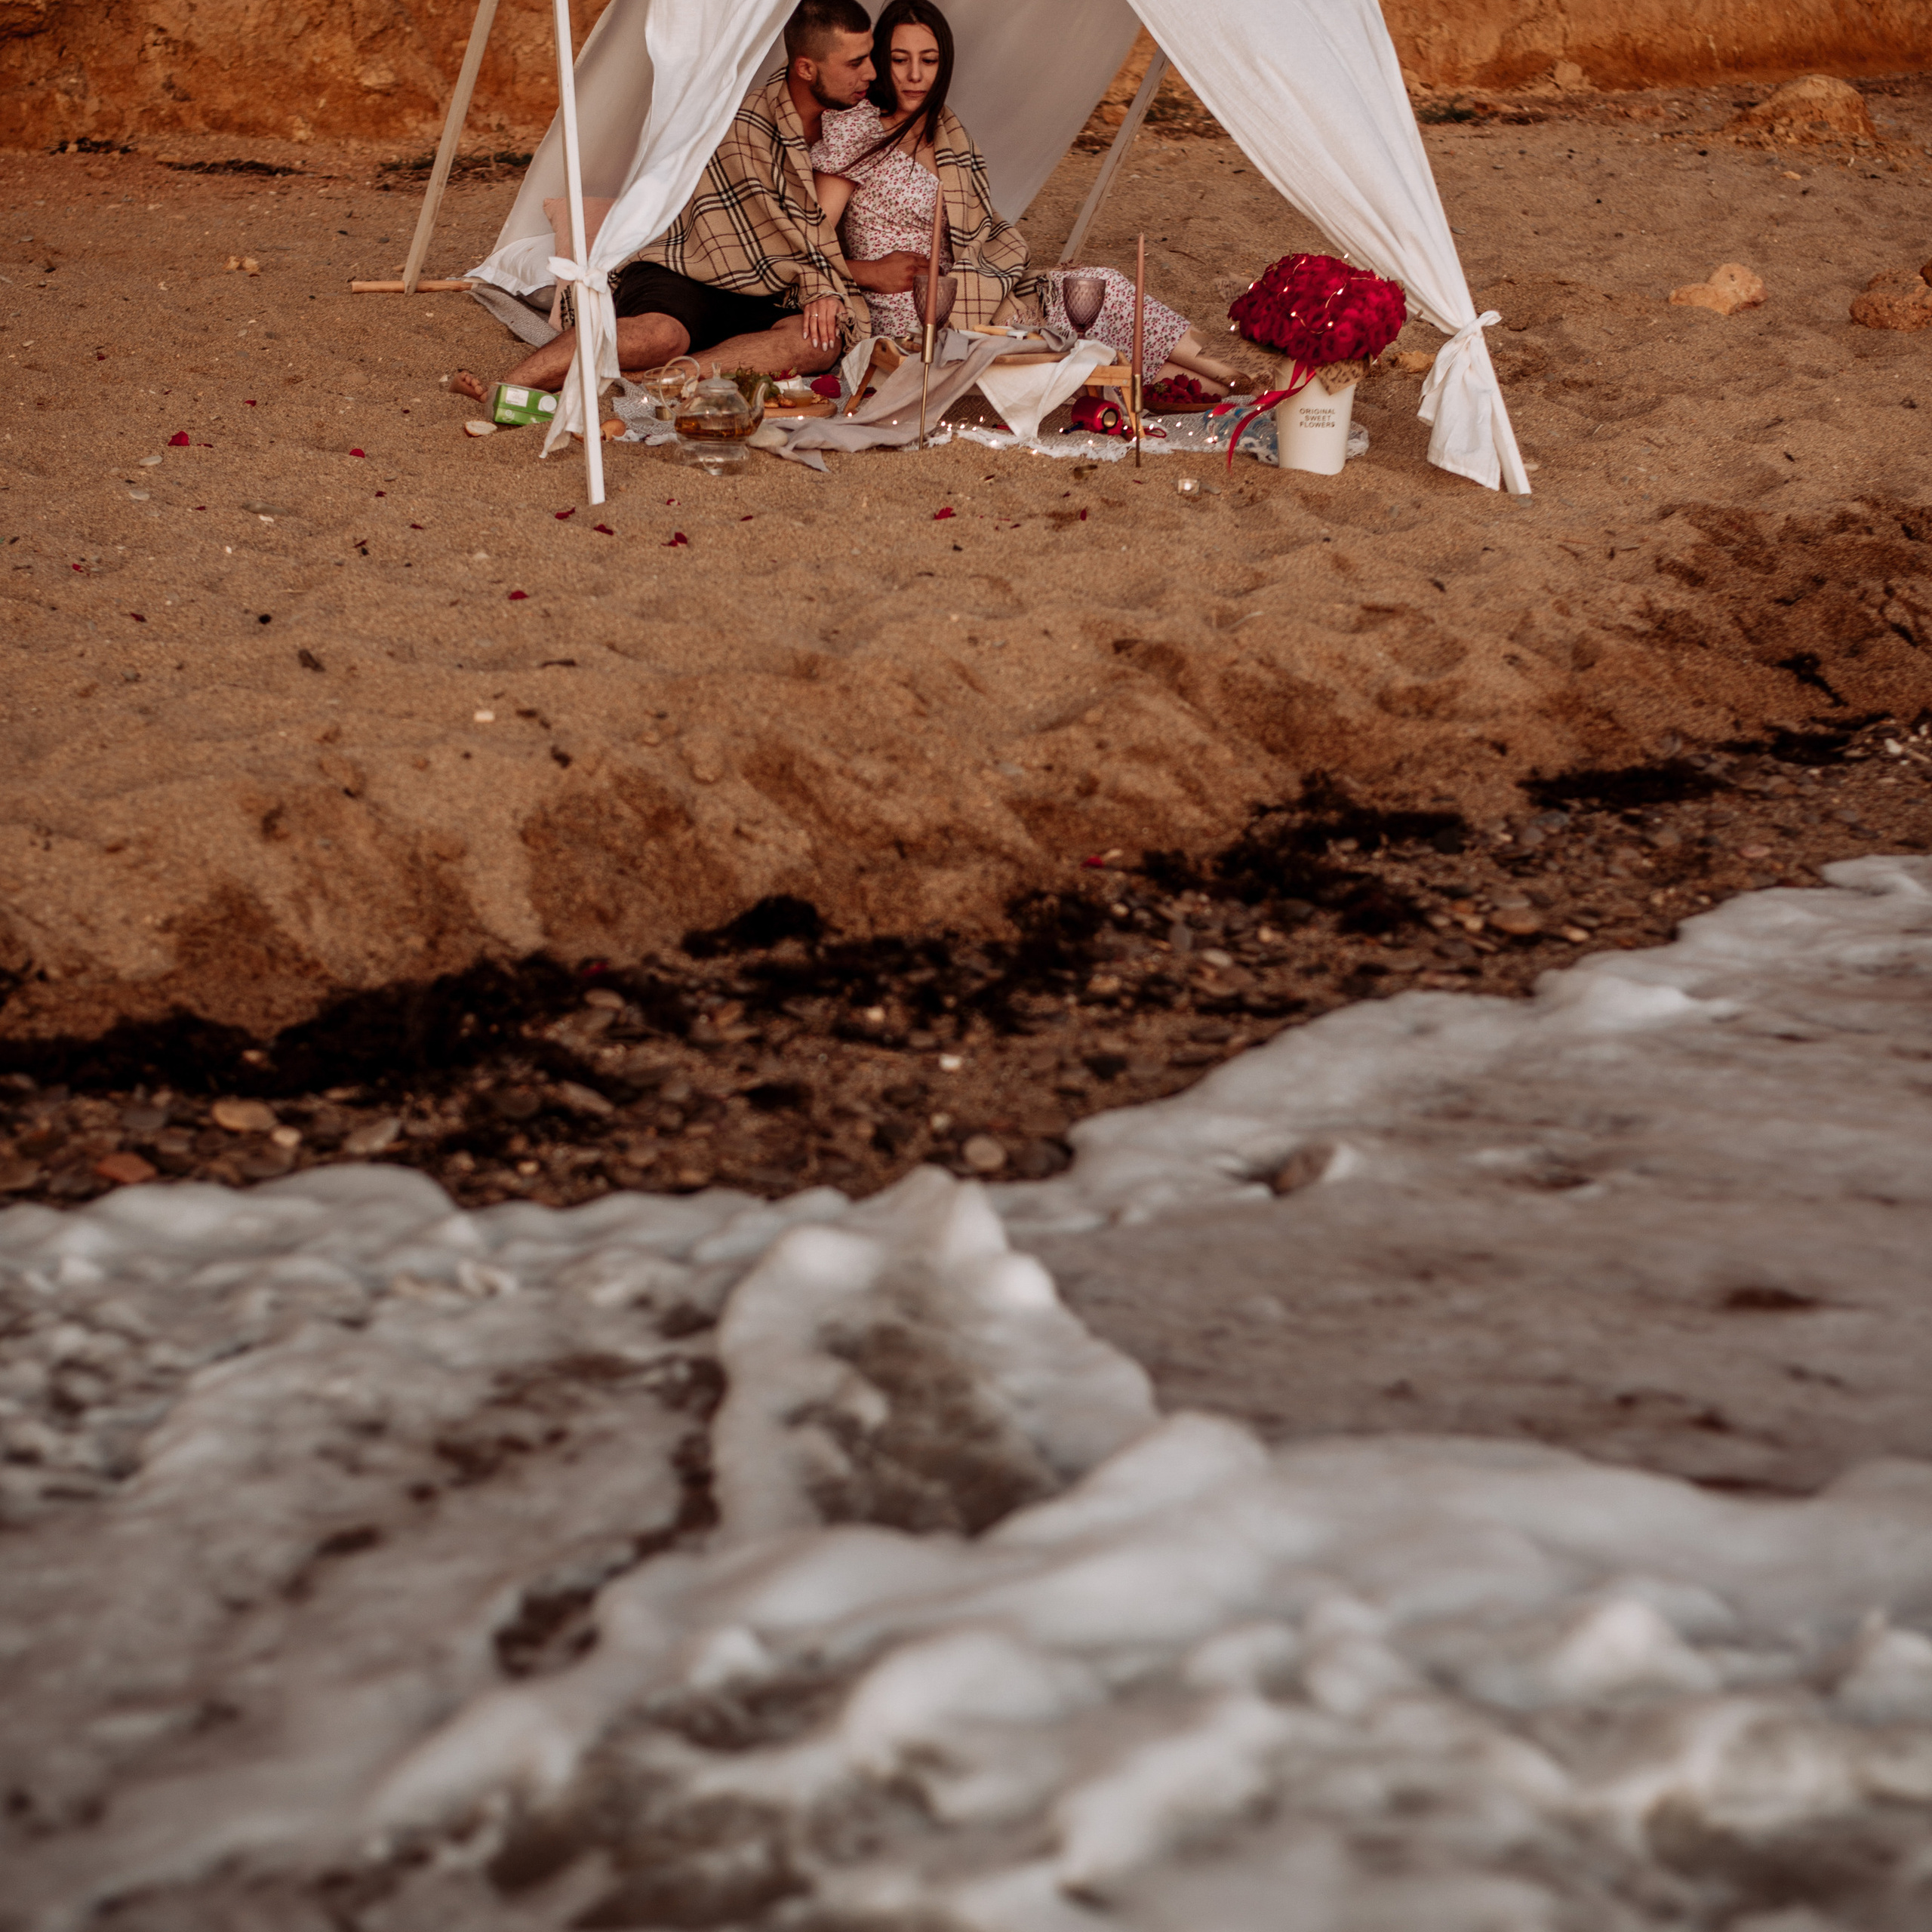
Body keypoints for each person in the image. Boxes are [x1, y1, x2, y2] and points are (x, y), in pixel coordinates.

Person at [455, 0, 878, 405]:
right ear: (806, 68)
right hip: (687, 270)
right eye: (856, 63)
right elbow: (746, 226)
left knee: (819, 344)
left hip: (768, 289)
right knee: (660, 337)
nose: (872, 74)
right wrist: (820, 282)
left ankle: (658, 379)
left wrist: (820, 290)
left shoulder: (855, 129)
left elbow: (806, 236)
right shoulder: (741, 124)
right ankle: (504, 386)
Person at [810, 0, 1244, 392]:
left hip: (975, 287)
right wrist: (868, 272)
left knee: (1098, 297)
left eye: (929, 60)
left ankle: (1236, 375)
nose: (915, 75)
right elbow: (811, 241)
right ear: (879, 63)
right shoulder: (858, 131)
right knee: (1096, 301)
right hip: (910, 314)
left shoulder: (947, 133)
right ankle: (1244, 372)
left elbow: (981, 232)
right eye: (899, 60)